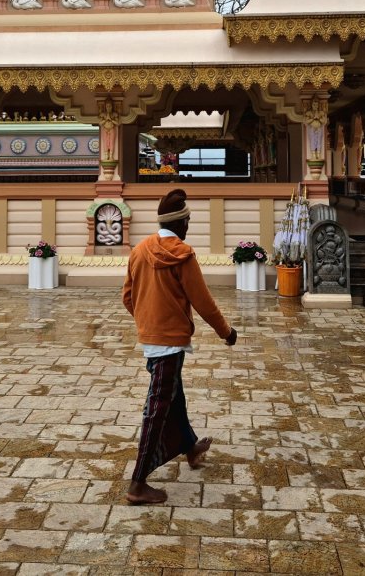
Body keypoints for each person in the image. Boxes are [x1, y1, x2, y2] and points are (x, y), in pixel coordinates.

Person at [122, 188, 237, 505]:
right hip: (170, 341)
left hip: (151, 338)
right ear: (180, 224)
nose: (189, 226)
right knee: (157, 408)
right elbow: (203, 302)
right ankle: (138, 483)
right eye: (187, 221)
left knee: (174, 396)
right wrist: (226, 332)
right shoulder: (183, 255)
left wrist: (148, 322)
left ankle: (190, 448)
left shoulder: (139, 250)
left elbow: (128, 297)